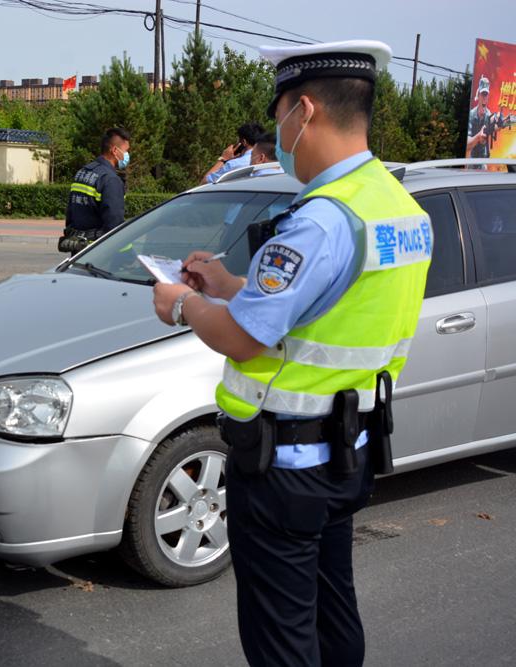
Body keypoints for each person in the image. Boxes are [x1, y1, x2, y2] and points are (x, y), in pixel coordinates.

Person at [152, 40, 432, 667]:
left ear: (304, 111)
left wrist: (179, 303)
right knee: (334, 613)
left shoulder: (322, 220)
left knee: (282, 638)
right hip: (348, 452)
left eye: (279, 114)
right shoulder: (397, 208)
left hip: (284, 468)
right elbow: (326, 308)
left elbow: (244, 339)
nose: (277, 133)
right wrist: (227, 287)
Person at [60, 127, 130, 254]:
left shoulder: (83, 172)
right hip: (99, 253)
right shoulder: (110, 180)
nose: (127, 156)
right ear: (115, 150)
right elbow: (114, 226)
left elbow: (70, 212)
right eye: (126, 151)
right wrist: (128, 256)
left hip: (78, 249)